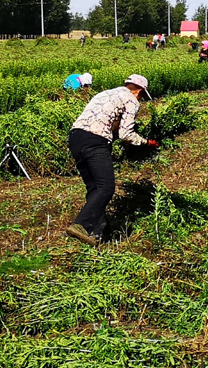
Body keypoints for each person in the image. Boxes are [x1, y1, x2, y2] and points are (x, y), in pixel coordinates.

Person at [65, 74, 158, 246]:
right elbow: (126, 134)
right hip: (96, 141)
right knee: (106, 188)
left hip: (76, 138)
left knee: (94, 188)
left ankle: (100, 233)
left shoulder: (105, 94)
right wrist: (146, 143)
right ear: (139, 91)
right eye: (143, 96)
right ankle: (81, 224)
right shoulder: (131, 100)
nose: (142, 99)